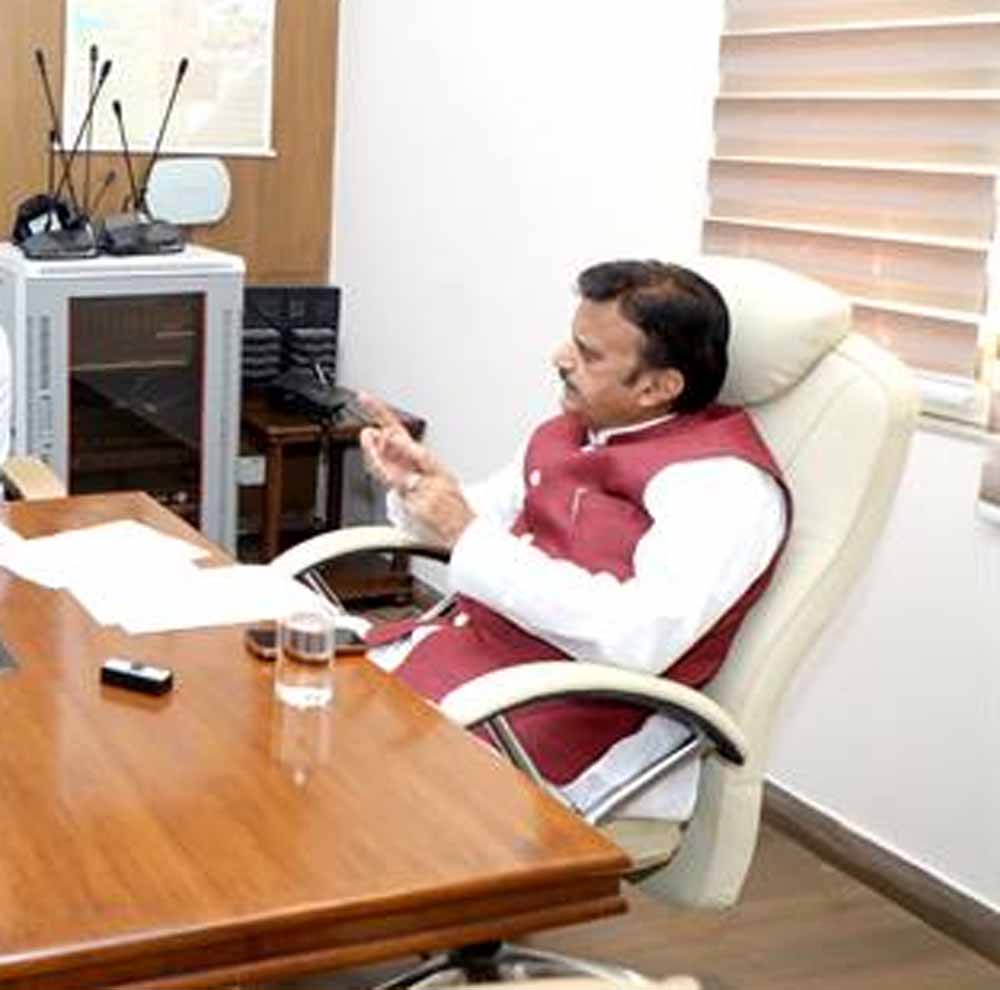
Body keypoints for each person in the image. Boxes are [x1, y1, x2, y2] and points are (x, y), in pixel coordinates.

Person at [359, 260, 790, 819]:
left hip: (563, 722)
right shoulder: (575, 431)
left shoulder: (723, 486)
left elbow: (636, 639)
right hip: (471, 664)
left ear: (658, 387)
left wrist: (465, 530)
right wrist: (417, 485)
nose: (560, 358)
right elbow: (478, 524)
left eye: (588, 354)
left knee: (346, 795)